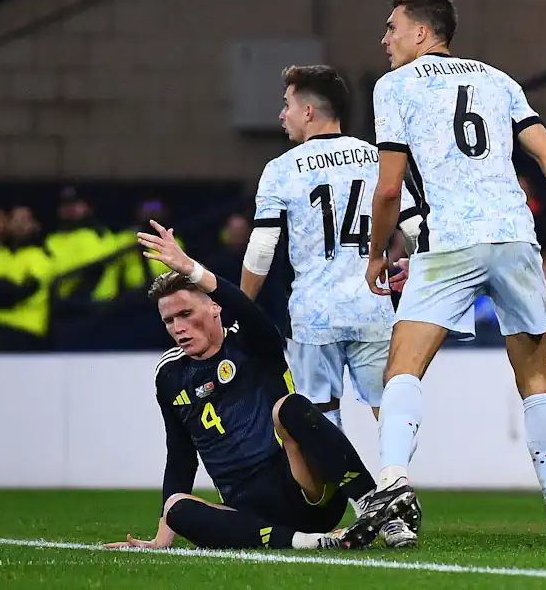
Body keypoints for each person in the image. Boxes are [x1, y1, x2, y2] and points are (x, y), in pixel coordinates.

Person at [358, 0, 546, 548]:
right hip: (517, 238)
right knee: (536, 378)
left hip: (451, 240)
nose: (386, 40)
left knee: (403, 367)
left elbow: (389, 188)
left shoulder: (393, 87)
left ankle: (394, 480)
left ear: (422, 34)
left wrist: (377, 252)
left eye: (392, 28)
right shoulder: (499, 80)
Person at [103, 221, 393, 551]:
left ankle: (373, 504)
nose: (178, 327)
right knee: (175, 508)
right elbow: (181, 456)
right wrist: (161, 538)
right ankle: (311, 543)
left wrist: (192, 269)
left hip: (305, 488)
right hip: (247, 511)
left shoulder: (250, 340)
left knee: (290, 407)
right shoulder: (169, 375)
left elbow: (243, 306)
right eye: (169, 320)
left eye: (186, 313)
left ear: (214, 308)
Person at [241, 65, 423, 437]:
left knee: (320, 423)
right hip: (372, 305)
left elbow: (262, 249)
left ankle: (345, 495)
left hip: (314, 315)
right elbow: (416, 227)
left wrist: (241, 306)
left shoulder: (281, 169)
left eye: (287, 104)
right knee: (389, 413)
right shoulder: (377, 158)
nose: (282, 114)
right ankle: (395, 481)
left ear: (308, 111)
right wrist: (413, 264)